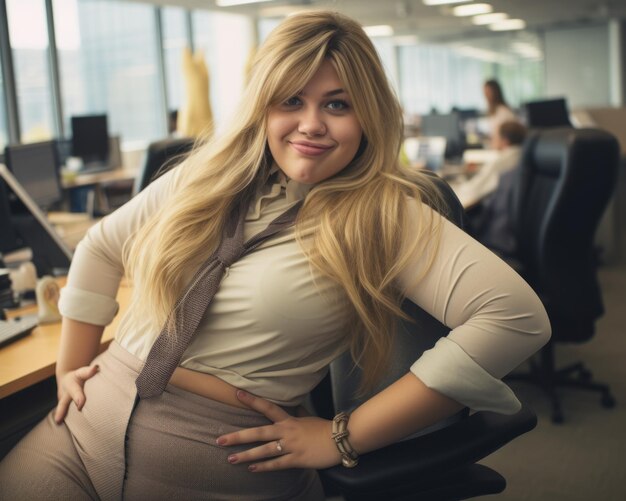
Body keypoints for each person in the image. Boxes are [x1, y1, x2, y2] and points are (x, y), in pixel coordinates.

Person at [0, 11, 550, 501]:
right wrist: (70, 366)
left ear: (368, 116)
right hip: (83, 421)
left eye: (336, 104)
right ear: (263, 106)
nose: (311, 124)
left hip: (216, 456)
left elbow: (514, 319)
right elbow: (101, 245)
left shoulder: (383, 214)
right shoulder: (209, 176)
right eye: (292, 100)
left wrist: (345, 435)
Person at [468, 121, 528, 256]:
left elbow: (474, 191)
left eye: (494, 136)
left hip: (496, 238)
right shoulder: (523, 156)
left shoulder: (504, 160)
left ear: (504, 141)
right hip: (516, 235)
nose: (491, 139)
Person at [483, 79, 518, 148]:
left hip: (505, 149)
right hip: (496, 148)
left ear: (495, 93)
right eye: (484, 92)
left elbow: (508, 138)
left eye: (488, 92)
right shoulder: (493, 112)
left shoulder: (504, 112)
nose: (485, 96)